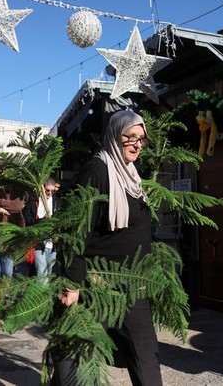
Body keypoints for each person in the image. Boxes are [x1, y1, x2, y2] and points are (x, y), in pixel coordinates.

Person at [53, 110, 161, 385]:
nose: (137, 144)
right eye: (130, 137)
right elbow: (74, 230)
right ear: (115, 135)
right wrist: (72, 282)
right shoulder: (98, 170)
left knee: (145, 353)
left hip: (131, 283)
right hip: (95, 282)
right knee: (77, 355)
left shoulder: (133, 176)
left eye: (142, 139)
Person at [23, 177, 61, 284]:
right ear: (42, 188)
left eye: (52, 191)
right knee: (41, 273)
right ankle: (42, 298)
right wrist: (41, 222)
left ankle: (44, 297)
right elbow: (27, 217)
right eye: (47, 190)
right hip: (38, 243)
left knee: (48, 273)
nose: (49, 193)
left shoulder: (57, 202)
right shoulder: (33, 201)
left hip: (52, 244)